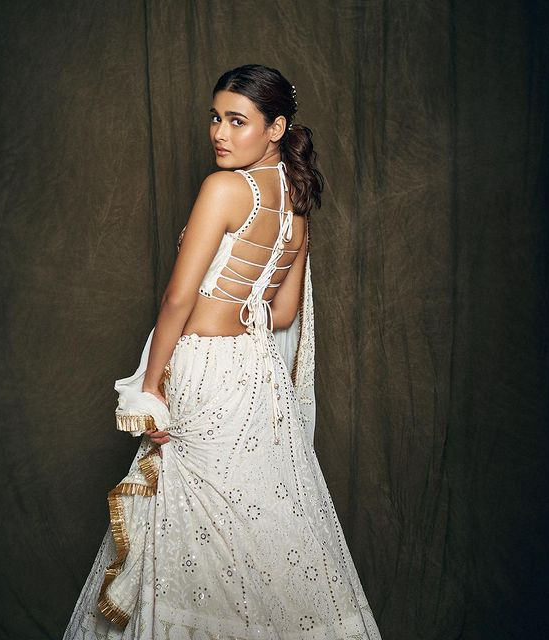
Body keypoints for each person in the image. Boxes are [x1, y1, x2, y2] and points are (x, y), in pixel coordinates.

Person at [63, 64, 382, 640]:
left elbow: (177, 298)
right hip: (257, 374)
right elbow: (283, 314)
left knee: (189, 522)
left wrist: (150, 386)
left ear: (276, 128)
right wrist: (242, 309)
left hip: (205, 370)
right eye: (216, 118)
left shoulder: (226, 188)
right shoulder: (296, 200)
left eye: (238, 121)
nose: (219, 133)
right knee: (253, 524)